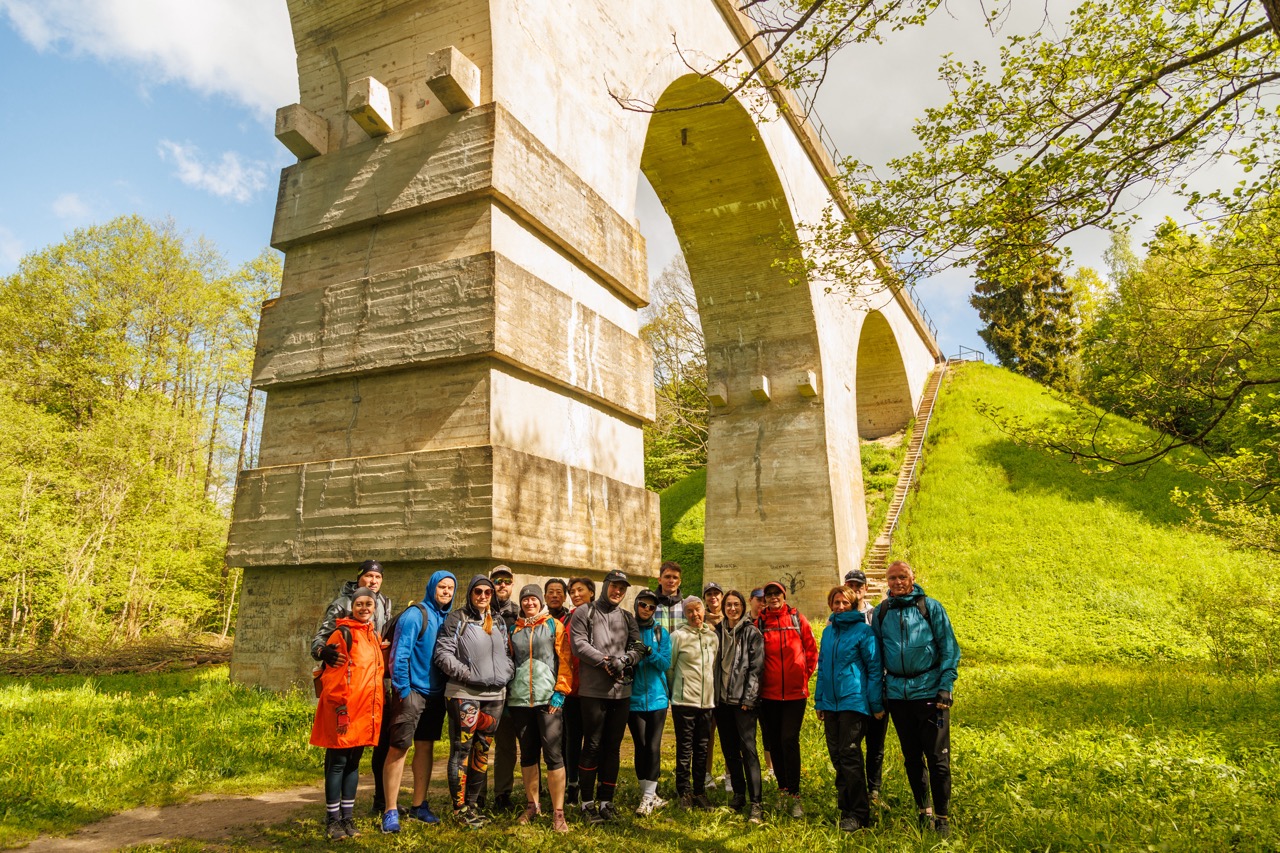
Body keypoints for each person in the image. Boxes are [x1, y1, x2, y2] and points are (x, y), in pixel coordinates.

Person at [872, 560, 961, 838]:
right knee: (911, 758)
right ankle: (924, 811)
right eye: (892, 578)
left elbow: (949, 648)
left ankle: (943, 818)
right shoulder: (881, 611)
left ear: (912, 579)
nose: (897, 582)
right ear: (887, 582)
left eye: (902, 577)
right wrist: (879, 694)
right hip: (898, 695)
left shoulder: (930, 607)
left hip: (930, 693)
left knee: (937, 759)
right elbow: (875, 657)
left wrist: (945, 686)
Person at [310, 559, 394, 815]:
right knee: (339, 755)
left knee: (365, 751)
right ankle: (334, 814)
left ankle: (378, 803)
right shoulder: (341, 604)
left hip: (371, 688)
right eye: (368, 576)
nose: (373, 581)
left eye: (377, 577)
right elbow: (319, 640)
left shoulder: (384, 603)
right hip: (345, 689)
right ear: (359, 578)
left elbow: (376, 637)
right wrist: (323, 652)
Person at [433, 575, 515, 829]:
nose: (482, 596)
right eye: (477, 591)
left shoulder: (498, 621)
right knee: (462, 749)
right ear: (470, 593)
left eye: (487, 592)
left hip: (495, 696)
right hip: (464, 694)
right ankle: (460, 809)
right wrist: (468, 674)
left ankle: (474, 804)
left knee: (482, 751)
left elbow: (507, 652)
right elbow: (442, 652)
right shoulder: (458, 618)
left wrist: (506, 673)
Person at [379, 570, 455, 833]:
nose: (446, 592)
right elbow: (400, 654)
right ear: (432, 587)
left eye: (450, 588)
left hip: (435, 696)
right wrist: (402, 689)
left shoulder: (447, 619)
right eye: (442, 587)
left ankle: (419, 804)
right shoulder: (416, 614)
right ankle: (390, 809)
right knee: (399, 748)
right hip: (411, 692)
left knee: (425, 748)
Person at [570, 569, 644, 825]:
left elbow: (638, 647)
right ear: (605, 586)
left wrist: (624, 660)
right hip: (593, 691)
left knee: (613, 747)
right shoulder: (585, 612)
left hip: (621, 692)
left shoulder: (627, 616)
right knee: (591, 745)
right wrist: (605, 662)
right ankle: (587, 802)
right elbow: (578, 644)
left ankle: (606, 801)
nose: (618, 591)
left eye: (622, 589)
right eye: (614, 586)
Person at [815, 584, 885, 833]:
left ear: (853, 604)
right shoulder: (828, 633)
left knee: (850, 755)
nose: (840, 606)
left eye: (845, 602)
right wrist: (819, 701)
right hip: (831, 704)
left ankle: (859, 813)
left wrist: (876, 704)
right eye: (836, 602)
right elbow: (822, 667)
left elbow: (875, 669)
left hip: (853, 702)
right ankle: (846, 808)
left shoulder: (864, 632)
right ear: (831, 605)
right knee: (837, 756)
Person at [506, 584, 573, 832]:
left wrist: (561, 692)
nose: (529, 603)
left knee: (554, 755)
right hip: (520, 701)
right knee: (527, 754)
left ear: (540, 601)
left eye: (533, 598)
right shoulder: (514, 628)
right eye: (525, 599)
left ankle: (558, 812)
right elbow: (510, 662)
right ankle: (532, 805)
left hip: (548, 701)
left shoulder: (553, 625)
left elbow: (564, 660)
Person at [756, 580, 817, 817]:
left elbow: (811, 651)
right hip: (768, 695)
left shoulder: (797, 619)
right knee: (774, 742)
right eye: (768, 594)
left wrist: (803, 676)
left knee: (789, 740)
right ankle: (782, 789)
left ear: (784, 595)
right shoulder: (759, 622)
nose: (773, 597)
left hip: (794, 695)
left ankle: (794, 794)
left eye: (777, 593)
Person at [714, 588, 765, 824]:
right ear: (723, 608)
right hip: (722, 701)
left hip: (743, 703)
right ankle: (738, 795)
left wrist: (749, 699)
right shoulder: (716, 632)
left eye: (736, 604)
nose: (732, 608)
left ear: (743, 607)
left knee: (749, 751)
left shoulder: (752, 633)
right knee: (730, 751)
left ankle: (757, 803)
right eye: (728, 605)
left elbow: (756, 669)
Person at [668, 595, 718, 810]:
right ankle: (684, 791)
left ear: (703, 610)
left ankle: (699, 791)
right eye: (689, 611)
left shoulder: (712, 637)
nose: (694, 614)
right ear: (684, 614)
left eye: (697, 610)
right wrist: (677, 690)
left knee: (702, 747)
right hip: (684, 701)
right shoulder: (677, 636)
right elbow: (670, 668)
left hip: (707, 702)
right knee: (685, 747)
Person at [845, 568, 889, 807]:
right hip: (852, 690)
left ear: (865, 588)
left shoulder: (877, 614)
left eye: (858, 586)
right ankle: (856, 791)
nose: (854, 589)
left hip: (878, 685)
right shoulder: (838, 616)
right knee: (851, 745)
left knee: (875, 743)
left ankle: (874, 791)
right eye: (850, 585)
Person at [628, 588, 672, 816]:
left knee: (653, 747)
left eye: (651, 607)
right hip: (634, 699)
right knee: (640, 746)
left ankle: (647, 798)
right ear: (636, 605)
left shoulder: (660, 632)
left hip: (657, 699)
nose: (646, 609)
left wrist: (648, 653)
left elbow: (665, 663)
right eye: (643, 605)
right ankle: (649, 794)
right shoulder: (628, 629)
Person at [488, 565, 522, 812]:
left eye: (506, 581)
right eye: (497, 581)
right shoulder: (479, 610)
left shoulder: (520, 613)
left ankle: (502, 793)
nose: (502, 585)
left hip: (512, 689)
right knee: (479, 742)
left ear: (512, 584)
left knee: (507, 745)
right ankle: (475, 793)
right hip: (484, 689)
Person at [562, 576, 595, 806]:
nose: (575, 594)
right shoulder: (567, 618)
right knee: (572, 740)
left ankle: (590, 786)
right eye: (572, 591)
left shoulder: (600, 616)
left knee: (593, 741)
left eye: (580, 590)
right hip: (572, 690)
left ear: (591, 592)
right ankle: (572, 784)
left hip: (594, 690)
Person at [701, 581, 725, 792]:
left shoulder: (730, 620)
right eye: (709, 594)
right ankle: (706, 773)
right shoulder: (700, 622)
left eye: (716, 593)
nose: (713, 597)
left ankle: (729, 773)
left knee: (729, 733)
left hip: (726, 686)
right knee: (707, 733)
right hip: (707, 685)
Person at [653, 560, 684, 635]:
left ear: (679, 582)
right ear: (659, 580)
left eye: (675, 578)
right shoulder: (651, 605)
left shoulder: (686, 606)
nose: (671, 581)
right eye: (667, 577)